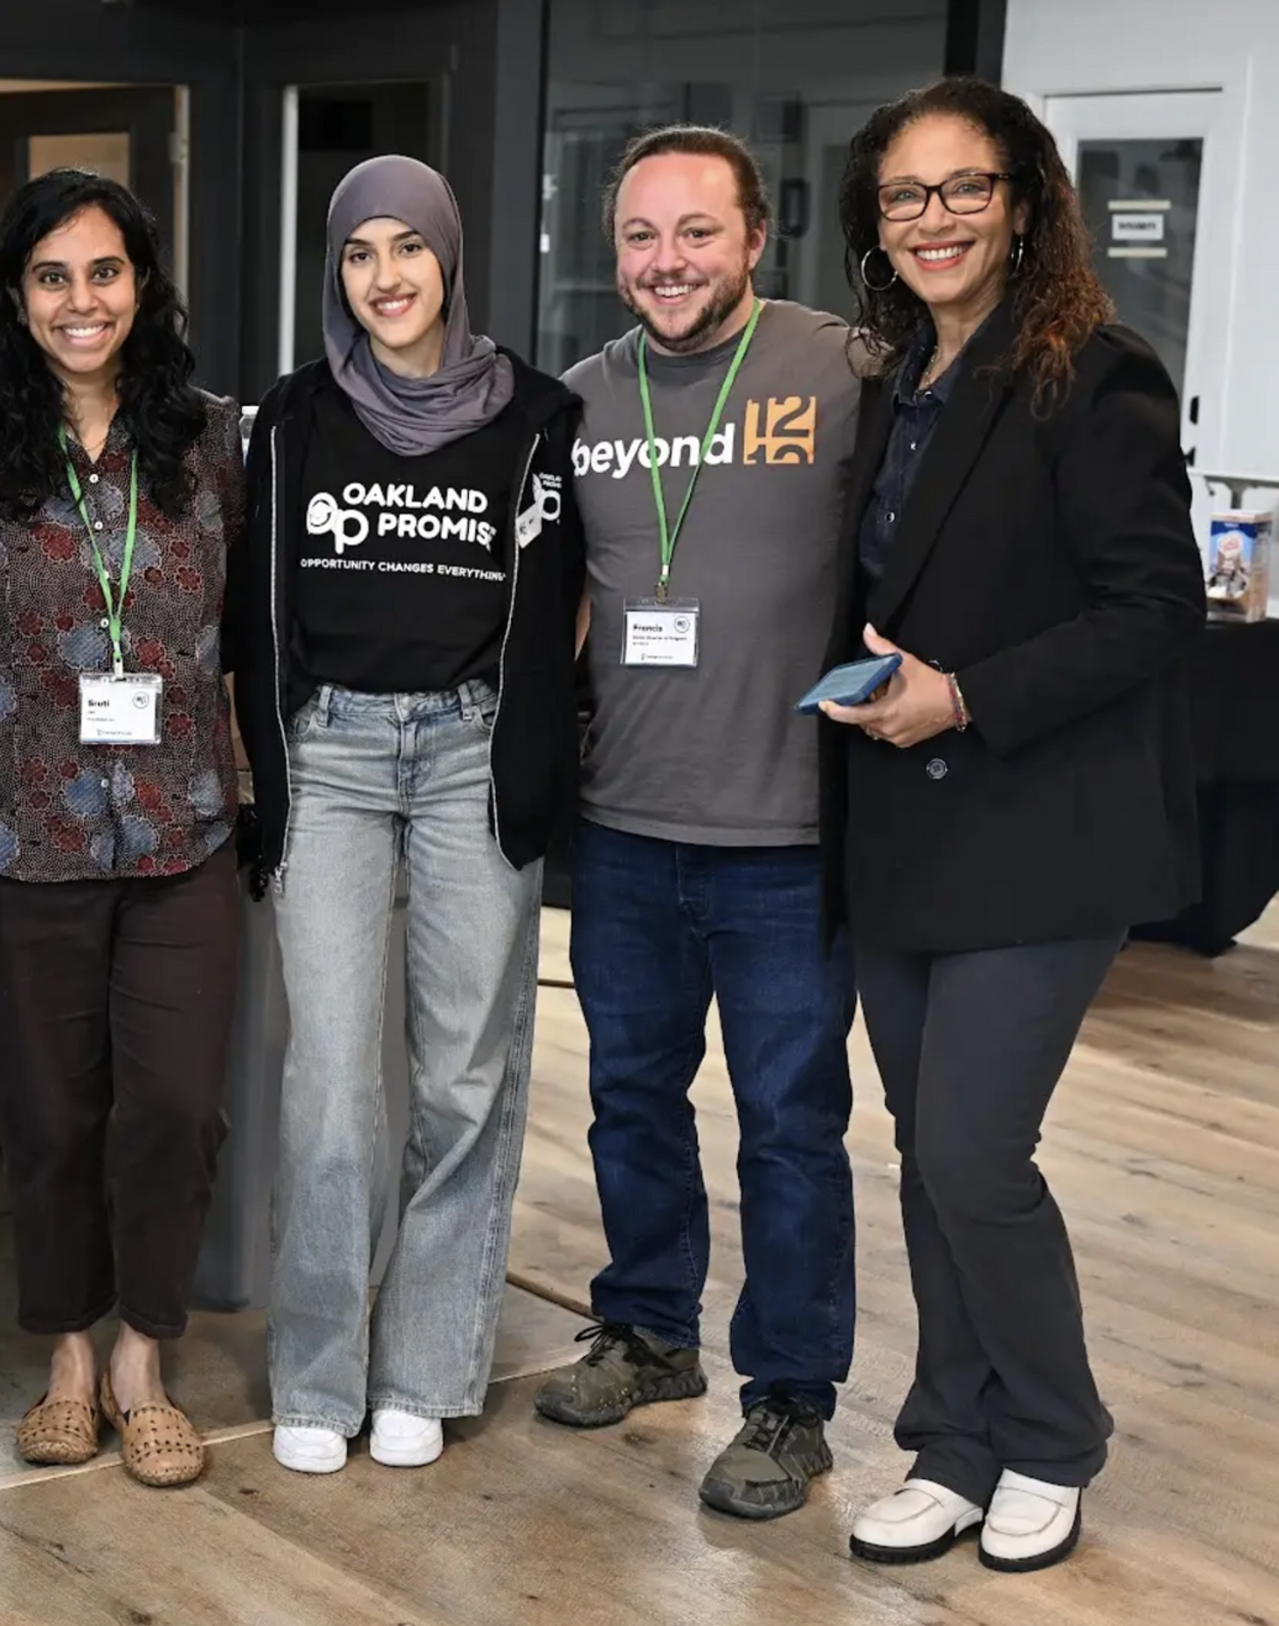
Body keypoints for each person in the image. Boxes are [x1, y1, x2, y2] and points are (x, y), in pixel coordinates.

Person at [822, 77, 1203, 1573]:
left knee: (975, 1150)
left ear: (1025, 202)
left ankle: (1049, 1436)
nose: (931, 219)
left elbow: (1153, 611)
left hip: (1041, 830)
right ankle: (952, 1438)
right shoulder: (888, 383)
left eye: (962, 189)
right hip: (901, 830)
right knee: (926, 1153)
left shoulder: (1091, 377)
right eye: (904, 195)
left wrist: (964, 695)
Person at [229, 155, 584, 1476]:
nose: (383, 276)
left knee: (461, 1076)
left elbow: (570, 598)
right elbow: (253, 610)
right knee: (327, 1082)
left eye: (406, 247)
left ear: (448, 256)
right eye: (357, 252)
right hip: (327, 759)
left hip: (467, 759)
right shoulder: (291, 419)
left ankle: (427, 1367)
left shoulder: (538, 419)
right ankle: (317, 1369)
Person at [533, 125, 865, 1522]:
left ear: (751, 239)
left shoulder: (847, 371)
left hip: (788, 836)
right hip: (623, 826)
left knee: (789, 1124)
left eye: (693, 232)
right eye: (638, 237)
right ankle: (648, 1327)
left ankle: (788, 1398)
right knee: (627, 1100)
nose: (663, 262)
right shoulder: (577, 400)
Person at [0, 168, 244, 1490]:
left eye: (103, 272)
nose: (80, 301)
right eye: (49, 277)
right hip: (11, 827)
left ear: (143, 284)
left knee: (172, 1104)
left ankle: (143, 1353)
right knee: (50, 1111)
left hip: (181, 828)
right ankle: (65, 1350)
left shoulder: (215, 440)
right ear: (8, 294)